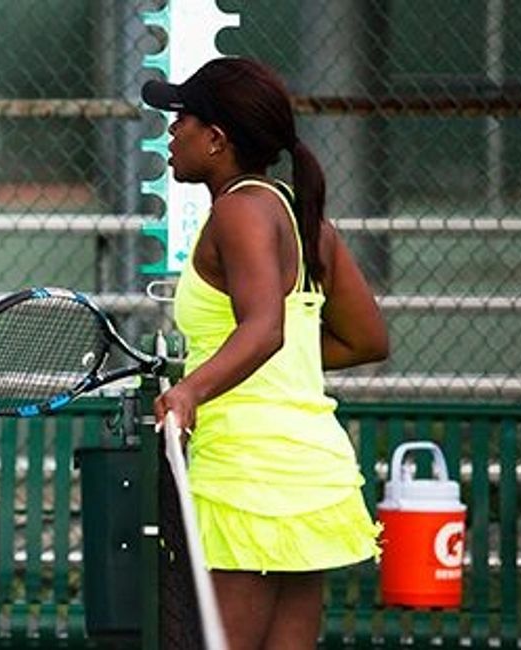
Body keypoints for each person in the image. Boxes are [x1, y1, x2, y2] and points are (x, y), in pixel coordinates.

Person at [144, 57, 390, 649]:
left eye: (181, 120)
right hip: (308, 471)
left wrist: (190, 389)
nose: (170, 134)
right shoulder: (303, 218)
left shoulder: (238, 211)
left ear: (217, 139)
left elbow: (264, 329)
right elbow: (364, 340)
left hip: (247, 474)